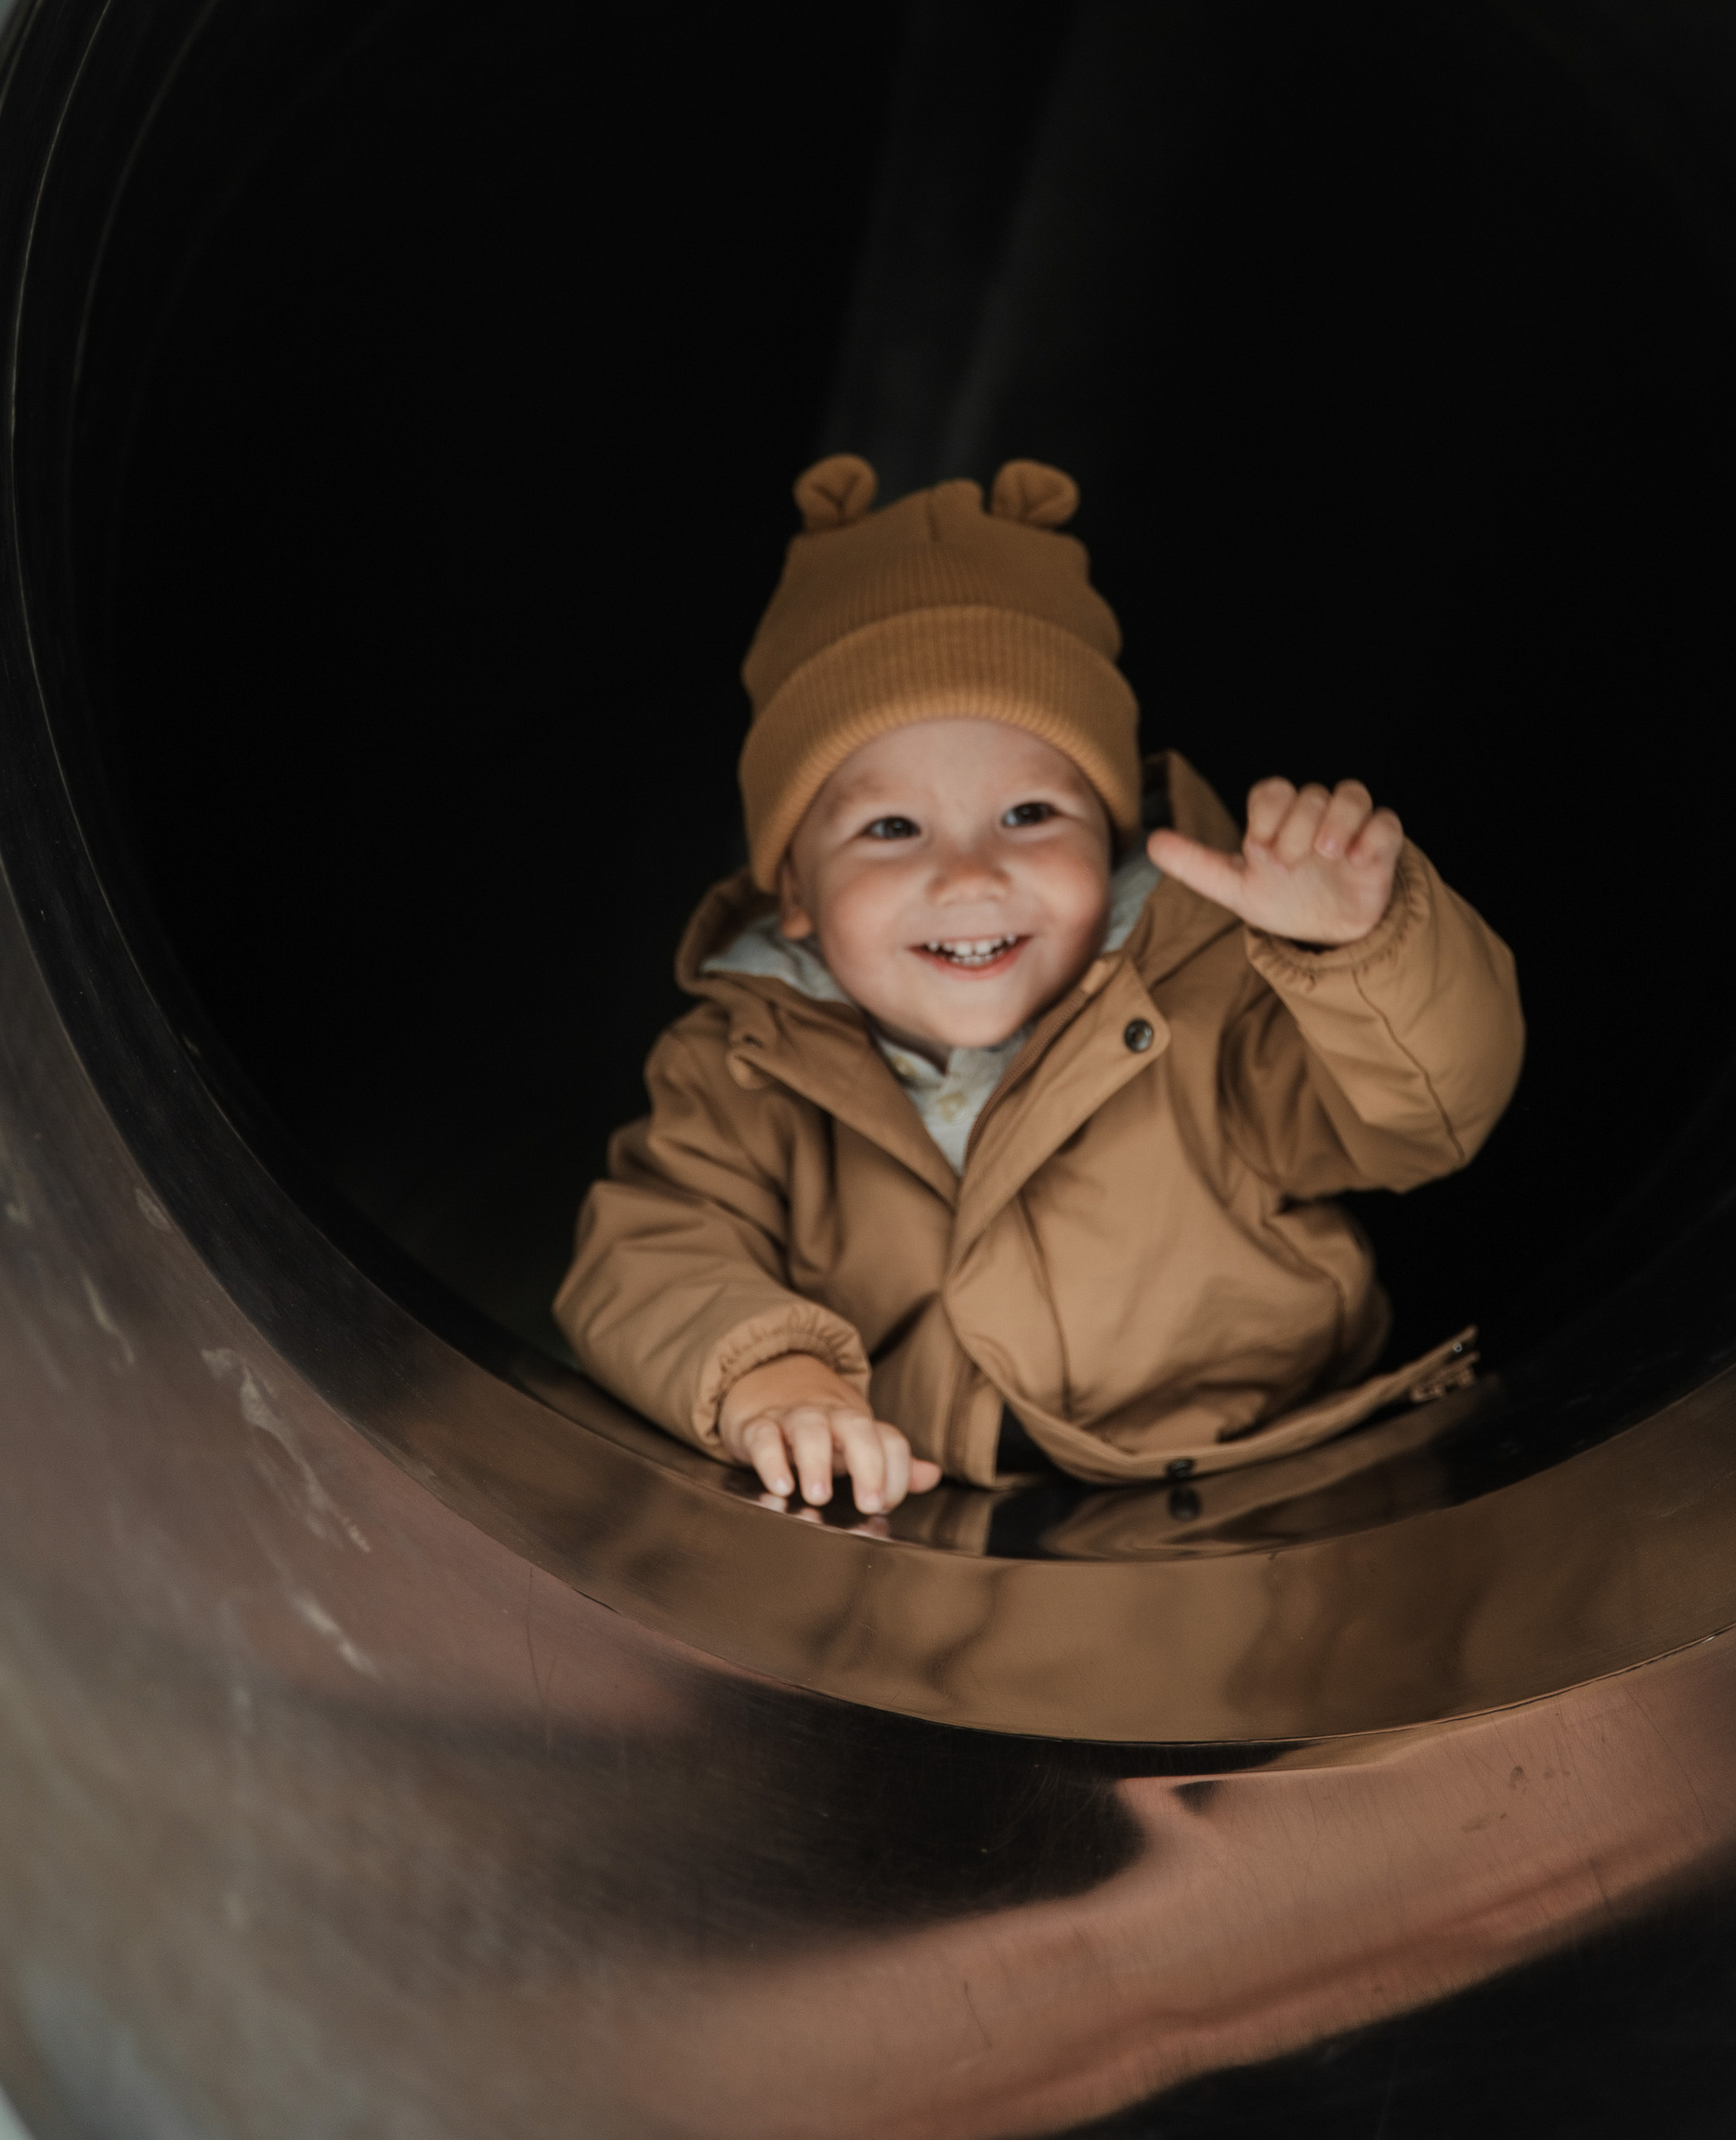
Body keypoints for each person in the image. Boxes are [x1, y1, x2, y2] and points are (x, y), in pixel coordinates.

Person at [555, 456, 1523, 1516]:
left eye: (1028, 816)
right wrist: (767, 1372)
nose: (969, 875)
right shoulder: (745, 1060)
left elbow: (1429, 1116)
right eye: (890, 828)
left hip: (1274, 1493)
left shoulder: (1218, 987)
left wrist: (1361, 950)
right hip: (921, 1529)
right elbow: (643, 1254)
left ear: (1106, 842)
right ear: (793, 888)